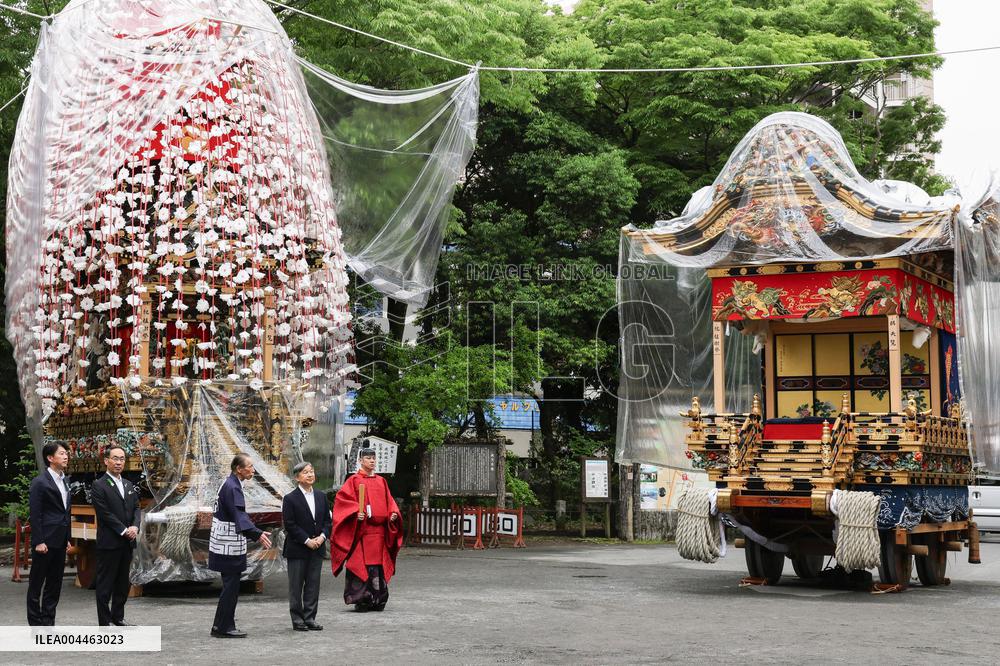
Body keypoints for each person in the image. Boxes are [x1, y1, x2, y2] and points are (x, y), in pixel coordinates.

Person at [330, 447, 403, 611]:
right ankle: (362, 600)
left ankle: (379, 599)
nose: (372, 461)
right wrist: (356, 513)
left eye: (373, 458)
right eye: (368, 458)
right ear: (361, 460)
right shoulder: (354, 481)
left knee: (379, 566)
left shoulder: (381, 481)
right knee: (361, 565)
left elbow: (390, 502)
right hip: (363, 532)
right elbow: (343, 503)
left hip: (380, 534)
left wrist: (393, 514)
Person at [208, 454, 272, 638]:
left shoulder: (229, 483)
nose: (253, 470)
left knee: (230, 585)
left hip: (223, 540)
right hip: (228, 544)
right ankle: (224, 627)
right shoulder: (233, 487)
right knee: (231, 586)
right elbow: (239, 515)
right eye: (250, 466)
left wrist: (254, 531)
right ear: (239, 469)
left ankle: (221, 625)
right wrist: (257, 533)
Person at [91, 444, 141, 626]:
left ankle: (118, 616)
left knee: (122, 583)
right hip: (110, 542)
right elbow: (105, 513)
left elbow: (136, 507)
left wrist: (135, 527)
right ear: (106, 461)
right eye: (115, 458)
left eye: (122, 459)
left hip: (128, 542)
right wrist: (123, 530)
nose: (119, 462)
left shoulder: (128, 484)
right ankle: (104, 622)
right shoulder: (99, 485)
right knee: (105, 584)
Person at [281, 461, 332, 631]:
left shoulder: (321, 496)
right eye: (305, 472)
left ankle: (310, 617)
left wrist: (322, 537)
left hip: (317, 547)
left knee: (313, 584)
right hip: (298, 548)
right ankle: (297, 619)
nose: (310, 475)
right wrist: (306, 540)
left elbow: (327, 521)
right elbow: (290, 524)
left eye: (311, 471)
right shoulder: (289, 499)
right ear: (297, 477)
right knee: (296, 586)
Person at [26, 441, 72, 626]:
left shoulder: (65, 481)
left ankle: (48, 621)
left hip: (59, 540)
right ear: (50, 458)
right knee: (37, 583)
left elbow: (66, 511)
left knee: (55, 583)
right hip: (44, 541)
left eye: (66, 453)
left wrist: (67, 537)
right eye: (61, 453)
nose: (66, 456)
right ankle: (35, 623)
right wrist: (38, 541)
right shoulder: (40, 482)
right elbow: (35, 513)